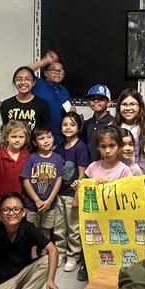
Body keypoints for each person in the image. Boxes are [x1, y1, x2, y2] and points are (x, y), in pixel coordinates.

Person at [55, 112, 89, 272]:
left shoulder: (81, 147)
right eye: (65, 124)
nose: (68, 127)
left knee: (73, 226)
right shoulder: (60, 146)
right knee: (59, 226)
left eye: (72, 124)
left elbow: (82, 172)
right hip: (59, 192)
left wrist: (77, 188)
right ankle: (60, 252)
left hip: (72, 193)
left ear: (79, 127)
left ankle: (73, 255)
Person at [22, 124, 63, 237]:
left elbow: (58, 180)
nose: (46, 141)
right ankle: (33, 253)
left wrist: (49, 201)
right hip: (32, 204)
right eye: (41, 138)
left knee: (46, 230)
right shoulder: (31, 158)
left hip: (50, 204)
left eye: (49, 137)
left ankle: (46, 253)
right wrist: (36, 200)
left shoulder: (58, 158)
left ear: (53, 138)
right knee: (31, 231)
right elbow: (25, 180)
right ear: (35, 143)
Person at [115, 88, 145, 174]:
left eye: (133, 104)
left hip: (140, 179)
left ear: (140, 107)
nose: (128, 108)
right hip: (116, 180)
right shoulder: (113, 128)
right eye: (124, 104)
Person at [0, 120, 30, 210]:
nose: (17, 140)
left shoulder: (27, 156)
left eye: (21, 137)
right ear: (7, 137)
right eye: (14, 136)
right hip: (1, 201)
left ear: (26, 138)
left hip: (19, 202)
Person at [30, 53, 72, 137]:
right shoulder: (38, 84)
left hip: (60, 137)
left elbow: (67, 110)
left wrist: (72, 111)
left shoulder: (64, 90)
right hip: (39, 137)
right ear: (45, 73)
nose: (57, 73)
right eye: (53, 70)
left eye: (60, 70)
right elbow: (23, 72)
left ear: (63, 74)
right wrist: (45, 61)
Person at [0, 66, 51, 133]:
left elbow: (45, 131)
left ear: (33, 82)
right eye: (19, 79)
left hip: (34, 143)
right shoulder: (6, 104)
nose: (23, 82)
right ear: (14, 82)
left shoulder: (42, 104)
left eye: (27, 79)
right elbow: (4, 131)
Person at [83, 84, 115, 159]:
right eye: (92, 99)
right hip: (90, 167)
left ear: (109, 102)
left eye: (100, 99)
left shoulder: (114, 123)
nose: (96, 101)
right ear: (88, 102)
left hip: (107, 166)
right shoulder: (87, 124)